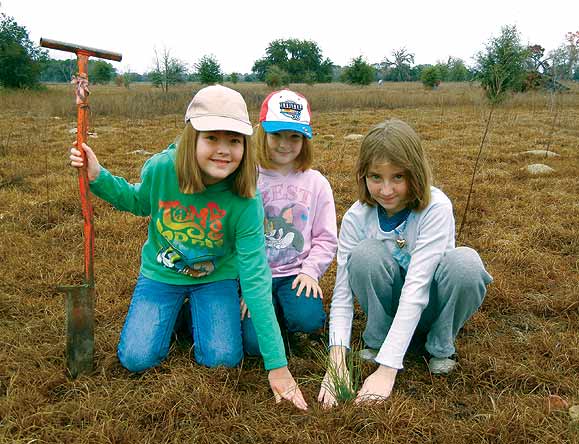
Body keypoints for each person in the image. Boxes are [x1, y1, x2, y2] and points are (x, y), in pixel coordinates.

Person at [69, 85, 307, 410]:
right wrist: (98, 176)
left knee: (222, 360)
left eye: (234, 140)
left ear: (245, 145)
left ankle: (193, 311)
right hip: (161, 276)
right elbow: (138, 202)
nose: (223, 150)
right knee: (137, 358)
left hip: (216, 278)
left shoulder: (246, 200)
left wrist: (278, 368)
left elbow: (255, 279)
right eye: (211, 138)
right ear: (191, 136)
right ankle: (179, 310)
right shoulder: (162, 169)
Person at [318, 119, 492, 407]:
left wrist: (387, 370)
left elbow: (417, 287)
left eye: (398, 177)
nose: (386, 190)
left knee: (466, 264)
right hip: (390, 306)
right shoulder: (356, 217)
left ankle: (439, 344)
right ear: (363, 175)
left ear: (415, 173)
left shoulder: (436, 207)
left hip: (430, 304)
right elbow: (342, 295)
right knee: (364, 255)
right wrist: (336, 362)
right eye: (376, 177)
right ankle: (379, 337)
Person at [241, 89, 338, 356]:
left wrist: (310, 271)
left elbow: (326, 238)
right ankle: (270, 315)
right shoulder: (247, 177)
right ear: (262, 133)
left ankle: (289, 315)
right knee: (253, 346)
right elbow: (234, 237)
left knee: (308, 320)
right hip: (256, 275)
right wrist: (247, 286)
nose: (285, 144)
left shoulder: (316, 182)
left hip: (296, 273)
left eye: (294, 136)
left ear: (305, 139)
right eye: (277, 135)